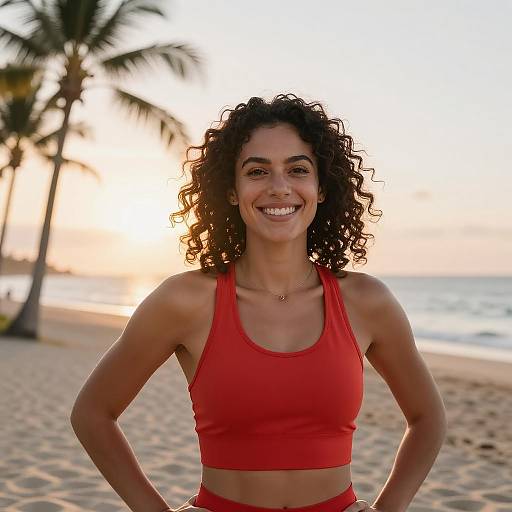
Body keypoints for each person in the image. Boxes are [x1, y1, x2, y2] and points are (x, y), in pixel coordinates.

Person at [70, 94, 447, 512]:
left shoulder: (367, 301)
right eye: (258, 171)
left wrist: (388, 508)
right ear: (231, 191)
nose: (279, 187)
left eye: (298, 169)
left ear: (321, 189)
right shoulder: (185, 301)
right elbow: (92, 413)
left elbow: (428, 419)